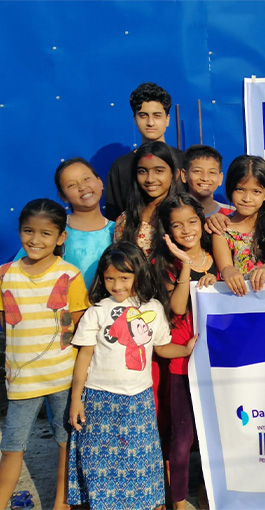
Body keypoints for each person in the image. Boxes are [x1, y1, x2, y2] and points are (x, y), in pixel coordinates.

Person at [67, 241, 196, 510]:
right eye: (110, 278)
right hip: (99, 399)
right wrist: (76, 399)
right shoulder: (97, 311)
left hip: (139, 401)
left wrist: (184, 349)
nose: (117, 285)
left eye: (124, 278)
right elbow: (84, 358)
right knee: (100, 464)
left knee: (141, 462)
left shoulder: (153, 309)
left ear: (138, 274)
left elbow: (161, 347)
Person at [0, 199, 88, 510]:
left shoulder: (70, 276)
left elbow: (80, 329)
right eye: (28, 231)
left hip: (64, 378)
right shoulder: (4, 275)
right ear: (20, 231)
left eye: (46, 234)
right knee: (11, 446)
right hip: (22, 382)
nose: (35, 240)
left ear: (61, 238)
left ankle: (60, 504)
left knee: (65, 444)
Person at [152, 193, 215, 510]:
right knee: (181, 441)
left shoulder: (220, 252)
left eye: (192, 221)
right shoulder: (163, 263)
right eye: (177, 225)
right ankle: (177, 501)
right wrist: (186, 266)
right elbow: (177, 307)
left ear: (202, 222)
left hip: (217, 364)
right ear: (167, 231)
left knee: (215, 439)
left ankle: (209, 493)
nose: (186, 230)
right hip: (181, 364)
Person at [14, 158, 115, 288]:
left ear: (100, 182)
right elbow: (18, 271)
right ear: (63, 196)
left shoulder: (119, 229)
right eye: (72, 185)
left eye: (86, 179)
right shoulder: (53, 230)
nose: (82, 187)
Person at [105, 82, 183, 221]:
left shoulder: (185, 161)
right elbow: (113, 218)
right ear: (135, 119)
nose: (150, 122)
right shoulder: (121, 166)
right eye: (143, 115)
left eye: (157, 115)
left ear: (167, 119)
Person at [212, 155, 265, 296]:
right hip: (241, 304)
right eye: (240, 189)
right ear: (230, 189)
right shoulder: (222, 230)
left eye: (256, 191)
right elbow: (226, 266)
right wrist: (228, 271)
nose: (247, 198)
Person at [113, 141, 181, 256]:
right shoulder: (126, 220)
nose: (150, 179)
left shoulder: (186, 214)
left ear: (175, 175)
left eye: (159, 171)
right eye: (142, 171)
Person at [181, 144, 234, 217]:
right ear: (184, 175)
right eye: (197, 171)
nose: (205, 178)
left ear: (220, 178)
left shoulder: (233, 215)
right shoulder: (175, 214)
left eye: (212, 172)